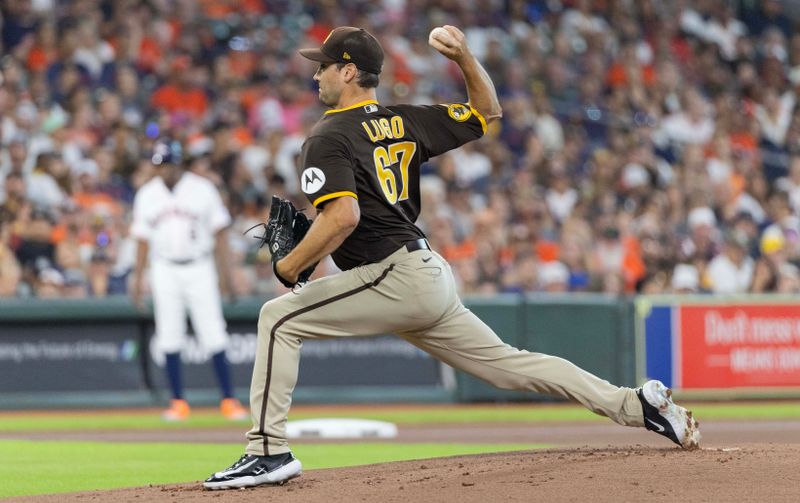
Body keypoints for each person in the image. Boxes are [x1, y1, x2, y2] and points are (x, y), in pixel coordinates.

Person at [204, 25, 701, 490]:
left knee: (276, 318)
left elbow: (343, 218)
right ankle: (639, 406)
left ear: (349, 72)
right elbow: (487, 112)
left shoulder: (327, 136)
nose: (316, 75)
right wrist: (464, 57)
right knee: (512, 366)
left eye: (324, 66)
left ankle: (268, 450)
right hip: (426, 274)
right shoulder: (405, 119)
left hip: (394, 275)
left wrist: (289, 267)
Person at [130, 137, 248, 421]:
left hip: (200, 266)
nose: (163, 170)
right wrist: (137, 279)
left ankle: (229, 400)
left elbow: (220, 235)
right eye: (159, 165)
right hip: (164, 268)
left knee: (213, 332)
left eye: (168, 164)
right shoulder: (147, 194)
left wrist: (227, 276)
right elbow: (142, 241)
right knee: (169, 335)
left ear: (179, 163)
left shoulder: (202, 189)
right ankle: (177, 402)